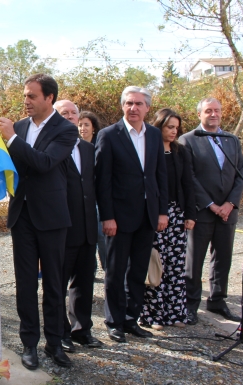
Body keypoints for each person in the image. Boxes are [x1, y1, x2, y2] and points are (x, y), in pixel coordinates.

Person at [0, 74, 78, 369]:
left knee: (54, 284)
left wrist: (13, 140)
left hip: (53, 217)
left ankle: (54, 343)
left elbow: (43, 163)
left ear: (49, 98)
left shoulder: (66, 130)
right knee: (26, 284)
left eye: (32, 96)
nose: (26, 101)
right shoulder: (18, 127)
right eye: (25, 96)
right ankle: (29, 343)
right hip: (23, 216)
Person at [95, 86, 168, 343]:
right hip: (119, 217)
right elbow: (102, 181)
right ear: (122, 106)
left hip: (148, 216)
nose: (133, 108)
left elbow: (160, 175)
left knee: (138, 271)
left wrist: (162, 211)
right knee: (115, 272)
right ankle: (114, 322)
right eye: (128, 103)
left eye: (138, 104)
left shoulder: (155, 135)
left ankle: (131, 319)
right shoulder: (108, 135)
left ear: (147, 108)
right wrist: (107, 216)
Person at [180, 98, 243, 324]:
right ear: (199, 114)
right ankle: (190, 304)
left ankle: (217, 300)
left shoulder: (231, 140)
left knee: (223, 258)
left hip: (228, 212)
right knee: (194, 259)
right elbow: (188, 177)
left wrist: (230, 203)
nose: (213, 114)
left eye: (217, 110)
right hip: (202, 211)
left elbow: (240, 174)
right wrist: (211, 204)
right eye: (208, 111)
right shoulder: (188, 140)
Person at [140, 109, 197, 330]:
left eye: (176, 127)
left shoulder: (180, 152)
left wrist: (190, 214)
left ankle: (174, 313)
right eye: (169, 127)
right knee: (156, 263)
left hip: (177, 214)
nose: (174, 131)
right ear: (159, 126)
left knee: (175, 265)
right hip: (155, 213)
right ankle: (152, 315)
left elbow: (188, 184)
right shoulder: (149, 149)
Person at [61, 126, 103, 350]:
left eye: (73, 114)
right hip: (62, 229)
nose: (69, 118)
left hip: (87, 228)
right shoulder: (51, 148)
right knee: (57, 286)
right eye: (63, 114)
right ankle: (60, 333)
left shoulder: (88, 148)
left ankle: (82, 330)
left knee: (84, 284)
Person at [78, 110, 107, 271]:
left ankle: (108, 266)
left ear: (93, 127)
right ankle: (91, 269)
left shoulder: (100, 145)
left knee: (101, 234)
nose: (83, 128)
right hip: (81, 196)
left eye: (86, 125)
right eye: (80, 125)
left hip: (98, 195)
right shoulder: (73, 145)